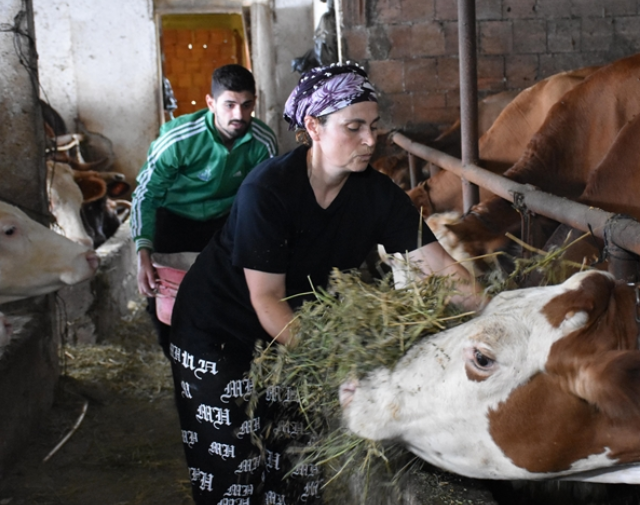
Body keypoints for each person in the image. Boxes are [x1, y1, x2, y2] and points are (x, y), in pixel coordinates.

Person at [168, 62, 482, 505]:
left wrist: (498, 316)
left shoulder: (377, 196)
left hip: (301, 333)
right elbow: (267, 299)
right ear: (313, 126)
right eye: (353, 127)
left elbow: (443, 270)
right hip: (221, 333)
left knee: (297, 469)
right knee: (235, 473)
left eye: (373, 126)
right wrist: (335, 369)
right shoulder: (269, 191)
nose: (370, 140)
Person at [131, 64, 279, 357]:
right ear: (211, 103)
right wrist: (142, 251)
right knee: (166, 300)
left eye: (247, 105)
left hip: (225, 223)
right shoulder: (178, 140)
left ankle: (219, 358)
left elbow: (267, 200)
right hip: (173, 220)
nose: (239, 115)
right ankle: (175, 357)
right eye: (229, 105)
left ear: (254, 103)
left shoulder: (263, 143)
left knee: (227, 294)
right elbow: (146, 195)